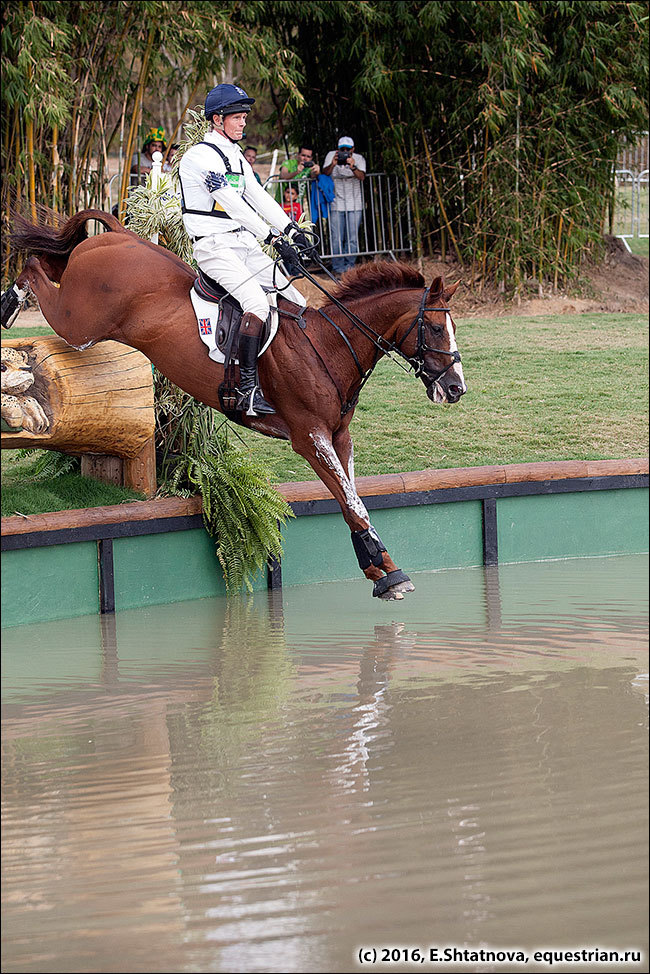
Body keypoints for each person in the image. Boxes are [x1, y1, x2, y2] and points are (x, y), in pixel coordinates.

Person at [178, 83, 310, 416]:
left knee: (296, 299)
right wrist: (273, 238)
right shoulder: (199, 158)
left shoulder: (236, 156)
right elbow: (232, 203)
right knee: (256, 302)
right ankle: (247, 390)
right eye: (237, 117)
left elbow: (259, 196)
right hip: (213, 246)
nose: (243, 123)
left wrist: (291, 229)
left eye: (244, 117)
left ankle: (285, 376)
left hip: (241, 242)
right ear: (217, 119)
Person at [322, 136, 366, 276]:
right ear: (337, 149)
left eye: (348, 150)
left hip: (355, 203)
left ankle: (349, 266)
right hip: (336, 203)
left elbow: (362, 177)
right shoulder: (331, 156)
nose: (345, 152)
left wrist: (352, 166)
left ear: (353, 149)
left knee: (352, 237)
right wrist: (333, 164)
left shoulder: (359, 159)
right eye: (342, 149)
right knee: (336, 237)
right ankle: (338, 267)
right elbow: (325, 173)